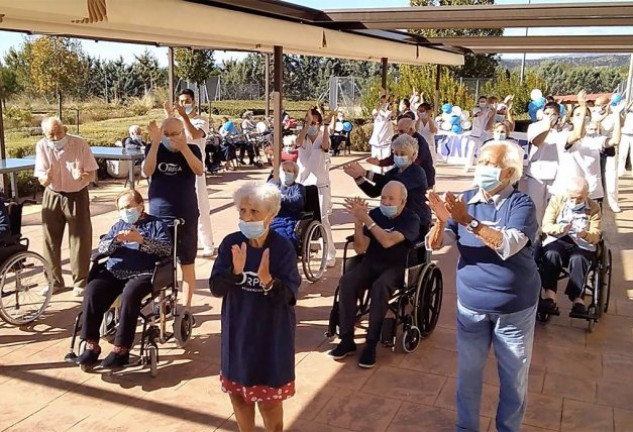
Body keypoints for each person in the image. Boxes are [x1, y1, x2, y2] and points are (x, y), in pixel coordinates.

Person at [426, 141, 540, 432]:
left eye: (490, 163)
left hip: (513, 310)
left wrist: (467, 220)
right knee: (468, 374)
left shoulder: (521, 204)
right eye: (481, 161)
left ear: (509, 172)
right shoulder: (465, 199)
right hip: (471, 307)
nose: (483, 168)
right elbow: (436, 245)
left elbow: (508, 245)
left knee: (513, 378)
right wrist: (441, 222)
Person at [209, 182, 301, 432]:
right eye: (242, 211)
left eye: (254, 212)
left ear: (271, 215)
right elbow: (216, 288)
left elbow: (290, 296)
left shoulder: (282, 249)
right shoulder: (231, 244)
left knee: (270, 403)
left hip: (271, 336)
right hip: (238, 332)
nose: (246, 217)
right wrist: (235, 274)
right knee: (238, 397)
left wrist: (269, 281)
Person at [75, 190, 172, 369]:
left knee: (130, 294)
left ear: (140, 206)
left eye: (128, 207)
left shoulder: (156, 225)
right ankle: (91, 345)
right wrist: (116, 241)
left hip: (143, 273)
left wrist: (141, 240)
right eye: (121, 208)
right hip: (115, 272)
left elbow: (166, 250)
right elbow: (102, 248)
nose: (125, 211)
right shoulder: (118, 226)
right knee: (92, 290)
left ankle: (121, 350)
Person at [328, 181, 420, 369]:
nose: (386, 202)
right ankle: (347, 339)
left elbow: (387, 241)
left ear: (402, 201)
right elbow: (361, 248)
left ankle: (371, 344)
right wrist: (357, 221)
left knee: (380, 287)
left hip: (396, 267)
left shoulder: (411, 219)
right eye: (383, 198)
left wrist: (367, 220)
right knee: (347, 282)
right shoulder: (375, 214)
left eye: (391, 199)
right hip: (371, 262)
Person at [142, 117, 204, 311]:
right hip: (159, 213)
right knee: (159, 261)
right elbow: (147, 170)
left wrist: (183, 147)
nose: (170, 139)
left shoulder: (192, 149)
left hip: (185, 212)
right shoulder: (156, 149)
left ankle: (185, 307)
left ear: (182, 133)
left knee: (187, 261)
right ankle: (160, 301)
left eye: (174, 134)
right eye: (166, 135)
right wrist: (155, 143)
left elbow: (199, 170)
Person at [34, 117, 99, 296]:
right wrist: (46, 178)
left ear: (65, 129)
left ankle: (80, 281)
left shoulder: (79, 144)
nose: (55, 138)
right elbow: (41, 176)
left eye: (58, 133)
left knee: (80, 238)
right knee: (50, 240)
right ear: (45, 135)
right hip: (52, 194)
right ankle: (54, 282)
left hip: (76, 194)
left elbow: (92, 173)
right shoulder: (42, 146)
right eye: (51, 135)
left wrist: (82, 176)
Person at [343, 134, 431, 236]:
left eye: (402, 154)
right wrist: (358, 177)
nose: (398, 157)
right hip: (399, 219)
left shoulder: (417, 172)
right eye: (396, 154)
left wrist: (364, 173)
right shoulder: (393, 172)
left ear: (413, 154)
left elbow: (391, 182)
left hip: (418, 220)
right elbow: (374, 191)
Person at [539, 177, 601, 316]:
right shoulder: (557, 201)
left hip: (581, 243)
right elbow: (546, 225)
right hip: (558, 239)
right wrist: (560, 228)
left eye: (579, 198)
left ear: (587, 194)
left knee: (579, 259)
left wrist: (585, 234)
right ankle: (550, 296)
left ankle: (578, 300)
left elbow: (596, 235)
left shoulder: (594, 208)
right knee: (551, 255)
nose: (575, 202)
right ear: (567, 193)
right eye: (572, 198)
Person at [165, 89, 215, 258]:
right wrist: (169, 115)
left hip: (196, 169)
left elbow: (194, 134)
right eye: (181, 101)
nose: (184, 104)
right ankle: (177, 243)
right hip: (178, 168)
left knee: (200, 207)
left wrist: (184, 117)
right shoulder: (177, 121)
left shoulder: (201, 121)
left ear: (193, 102)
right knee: (176, 207)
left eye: (187, 101)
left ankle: (207, 244)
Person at [526, 92, 586, 225]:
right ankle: (534, 238)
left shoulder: (564, 131)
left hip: (556, 177)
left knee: (552, 210)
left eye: (553, 114)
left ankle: (548, 237)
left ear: (559, 115)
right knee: (535, 209)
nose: (549, 117)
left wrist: (582, 107)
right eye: (547, 114)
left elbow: (577, 135)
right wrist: (547, 126)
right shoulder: (534, 127)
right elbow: (536, 141)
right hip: (536, 176)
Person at [296, 107, 337, 268]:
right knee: (303, 220)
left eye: (313, 122)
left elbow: (326, 146)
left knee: (323, 220)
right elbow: (298, 143)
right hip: (304, 185)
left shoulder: (322, 137)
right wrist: (306, 125)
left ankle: (330, 253)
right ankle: (305, 249)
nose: (310, 125)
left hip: (321, 186)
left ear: (319, 123)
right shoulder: (303, 138)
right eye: (308, 122)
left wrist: (326, 126)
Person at [368, 117, 436, 190]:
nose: (399, 134)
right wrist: (379, 162)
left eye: (401, 131)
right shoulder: (397, 139)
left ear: (410, 130)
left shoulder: (420, 142)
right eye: (398, 131)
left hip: (423, 179)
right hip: (405, 178)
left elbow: (418, 161)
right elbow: (392, 158)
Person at [591, 95, 624, 212]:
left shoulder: (613, 116)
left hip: (609, 148)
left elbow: (621, 125)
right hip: (594, 149)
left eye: (599, 105)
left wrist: (617, 114)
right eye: (595, 104)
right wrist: (601, 115)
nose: (596, 107)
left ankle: (613, 202)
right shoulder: (594, 115)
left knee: (611, 177)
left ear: (606, 105)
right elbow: (595, 127)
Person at [269, 161, 307, 247]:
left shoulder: (298, 187)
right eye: (284, 170)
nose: (285, 173)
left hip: (288, 218)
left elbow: (299, 200)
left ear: (295, 174)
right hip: (271, 216)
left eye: (289, 171)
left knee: (282, 235)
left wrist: (281, 198)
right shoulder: (273, 183)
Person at [368, 92, 394, 172]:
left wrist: (391, 102)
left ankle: (387, 182)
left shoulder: (389, 112)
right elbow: (375, 111)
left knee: (387, 167)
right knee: (376, 168)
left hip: (387, 143)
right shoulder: (375, 112)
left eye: (385, 102)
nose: (384, 103)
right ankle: (377, 183)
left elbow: (393, 113)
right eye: (382, 101)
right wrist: (382, 102)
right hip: (376, 143)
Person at [618, 100, 633, 177]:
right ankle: (621, 170)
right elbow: (626, 109)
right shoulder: (628, 110)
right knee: (622, 153)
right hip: (625, 133)